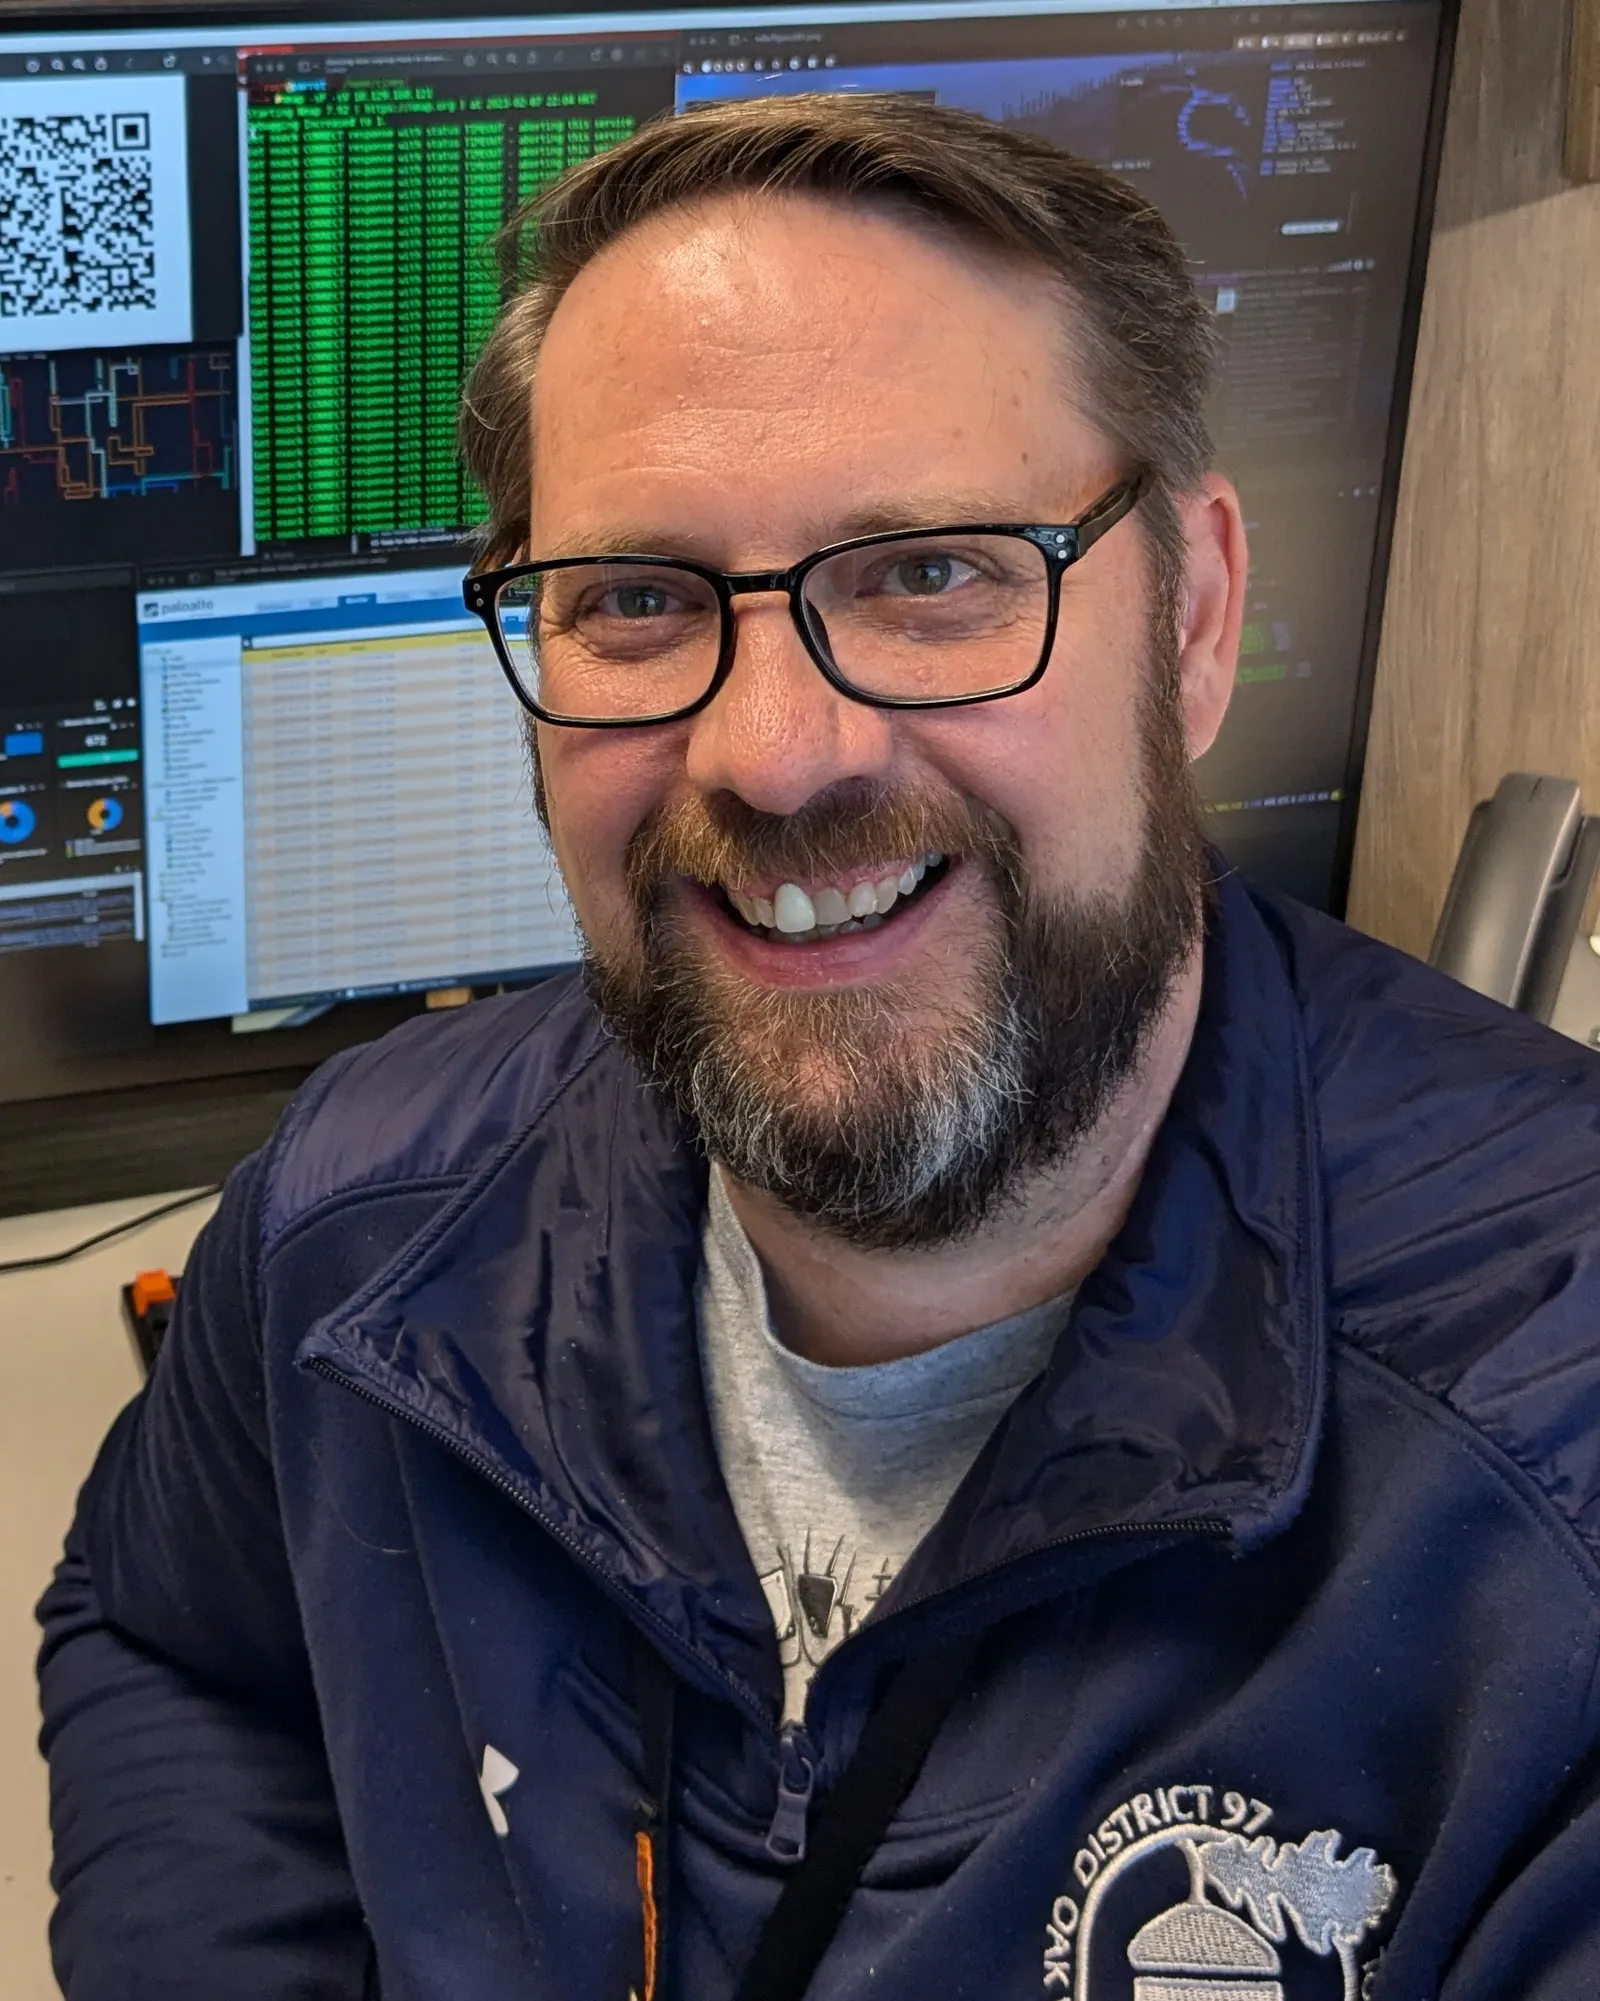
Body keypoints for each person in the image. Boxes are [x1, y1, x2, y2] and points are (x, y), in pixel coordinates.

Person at [37, 94, 1600, 2001]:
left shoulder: (1551, 1471)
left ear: (1192, 620)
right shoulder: (351, 1223)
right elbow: (174, 1646)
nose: (776, 752)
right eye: (634, 601)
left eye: (932, 570)